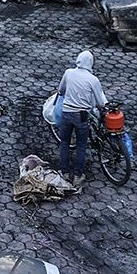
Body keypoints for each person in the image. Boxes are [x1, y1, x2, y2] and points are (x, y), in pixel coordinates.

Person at [55, 49, 108, 186]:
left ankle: (64, 172)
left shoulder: (68, 73)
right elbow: (100, 102)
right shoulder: (93, 80)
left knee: (65, 143)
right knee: (81, 146)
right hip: (82, 116)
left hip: (66, 113)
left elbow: (61, 91)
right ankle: (78, 175)